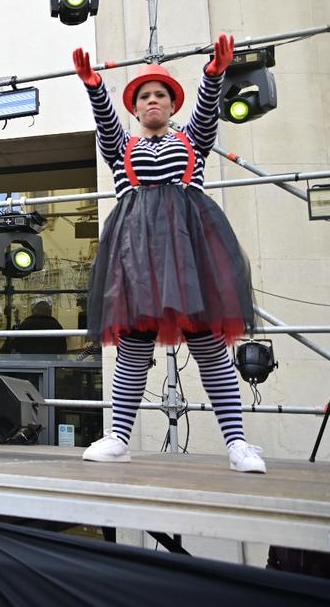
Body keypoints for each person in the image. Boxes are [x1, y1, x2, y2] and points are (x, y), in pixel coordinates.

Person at [72, 36, 265, 473]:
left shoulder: (192, 140)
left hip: (189, 256)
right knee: (134, 346)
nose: (153, 100)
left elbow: (206, 112)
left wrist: (213, 74)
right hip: (137, 257)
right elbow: (105, 124)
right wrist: (94, 86)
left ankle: (237, 444)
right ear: (135, 109)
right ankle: (119, 437)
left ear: (171, 106)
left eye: (160, 95)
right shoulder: (122, 149)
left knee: (209, 345)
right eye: (144, 97)